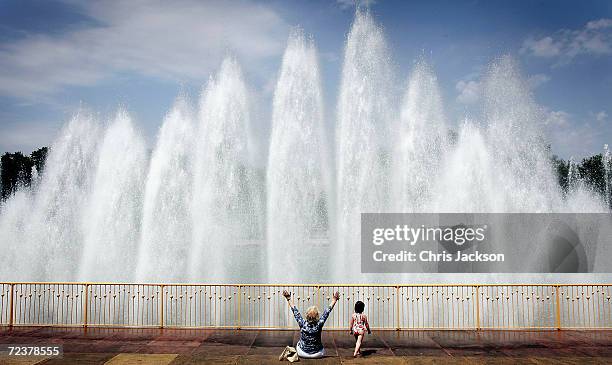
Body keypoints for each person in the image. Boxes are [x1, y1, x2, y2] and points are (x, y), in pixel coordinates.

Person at [282, 289, 340, 359]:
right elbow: (327, 311)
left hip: (302, 353)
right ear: (317, 316)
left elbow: (295, 310)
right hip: (318, 353)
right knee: (321, 348)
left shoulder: (302, 323)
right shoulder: (319, 323)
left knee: (298, 344)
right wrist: (334, 299)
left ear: (306, 315)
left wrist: (288, 298)